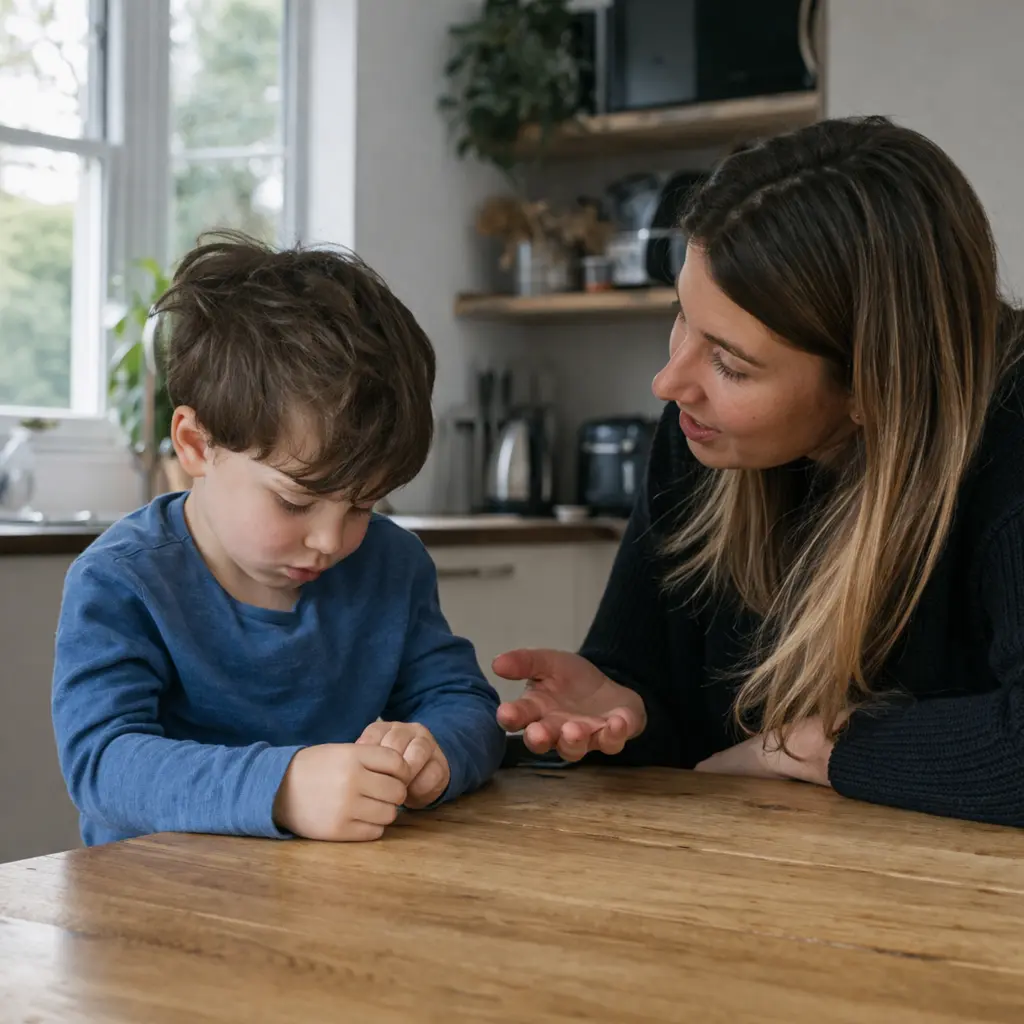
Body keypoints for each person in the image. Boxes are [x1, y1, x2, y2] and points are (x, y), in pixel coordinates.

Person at [495, 115, 1024, 828]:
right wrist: (625, 711)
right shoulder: (701, 431)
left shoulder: (1008, 449)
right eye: (682, 317)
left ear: (875, 388)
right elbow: (671, 714)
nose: (669, 381)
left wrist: (812, 747)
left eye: (731, 364)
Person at [52, 233, 505, 846]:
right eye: (295, 501)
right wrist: (282, 788)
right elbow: (102, 765)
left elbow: (466, 704)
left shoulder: (391, 565)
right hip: (151, 906)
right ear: (196, 445)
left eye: (364, 506)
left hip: (320, 903)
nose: (329, 539)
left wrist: (436, 753)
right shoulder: (121, 581)